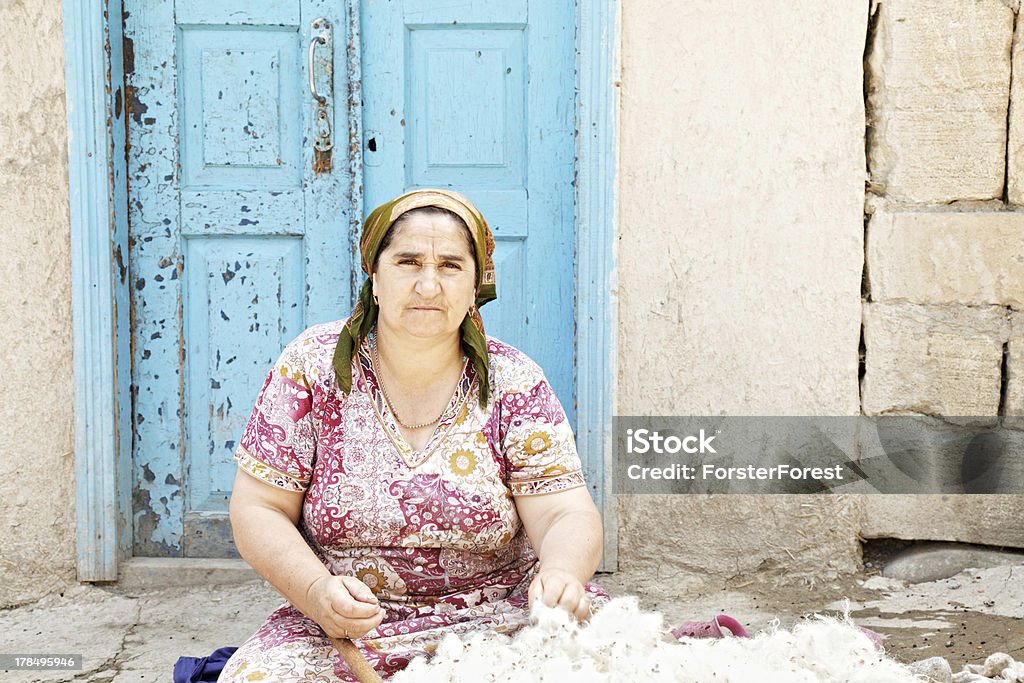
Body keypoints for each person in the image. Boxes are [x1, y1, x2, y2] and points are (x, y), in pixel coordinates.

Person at [220, 189, 608, 681]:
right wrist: (317, 592)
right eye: (408, 262)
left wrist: (562, 574)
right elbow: (259, 507)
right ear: (375, 278)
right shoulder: (312, 367)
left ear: (475, 286)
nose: (428, 286)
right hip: (345, 624)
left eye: (450, 266)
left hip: (502, 617)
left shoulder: (514, 381)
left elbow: (565, 511)